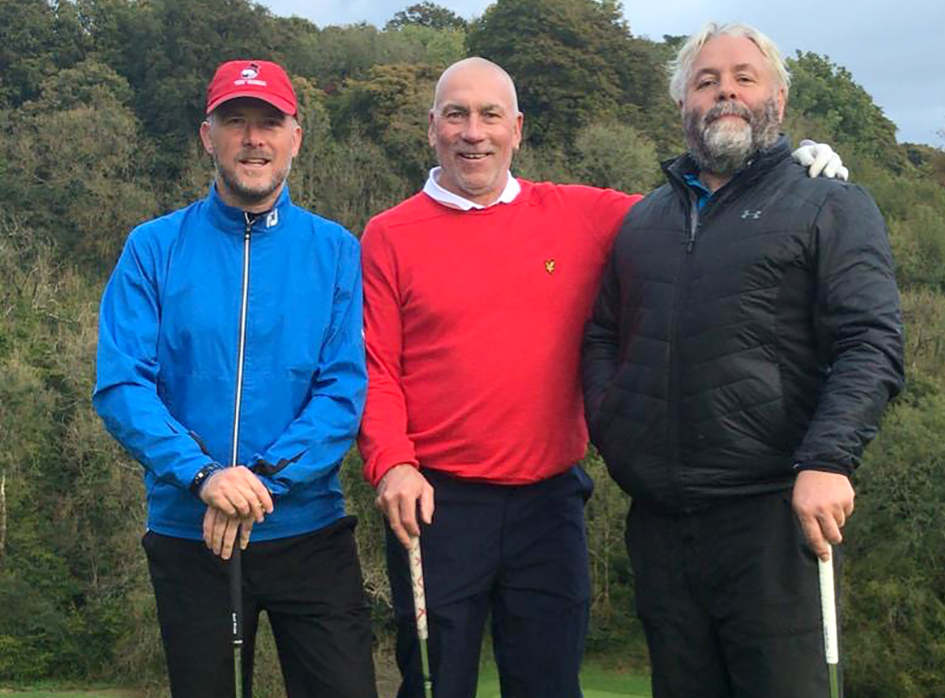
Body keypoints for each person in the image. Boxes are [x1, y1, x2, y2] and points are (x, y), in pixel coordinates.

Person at [359, 56, 845, 698]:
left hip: (550, 502)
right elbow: (376, 369)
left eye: (490, 115)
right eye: (456, 115)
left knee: (550, 683)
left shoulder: (580, 214)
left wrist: (789, 172)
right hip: (438, 504)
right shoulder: (389, 235)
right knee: (433, 683)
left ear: (517, 129)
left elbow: (702, 217)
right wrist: (392, 462)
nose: (473, 132)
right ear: (432, 129)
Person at [582, 22, 905, 698]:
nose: (725, 90)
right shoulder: (643, 222)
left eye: (743, 77)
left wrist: (829, 458)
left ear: (778, 101)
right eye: (706, 81)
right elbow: (603, 334)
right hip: (662, 528)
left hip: (774, 522)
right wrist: (614, 428)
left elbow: (870, 342)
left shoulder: (831, 205)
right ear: (683, 106)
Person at [94, 59, 376, 698]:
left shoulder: (336, 251)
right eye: (236, 122)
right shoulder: (152, 247)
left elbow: (343, 389)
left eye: (269, 124)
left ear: (295, 138)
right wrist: (205, 476)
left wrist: (261, 481)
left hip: (309, 531)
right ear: (207, 136)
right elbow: (121, 384)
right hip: (190, 530)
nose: (254, 139)